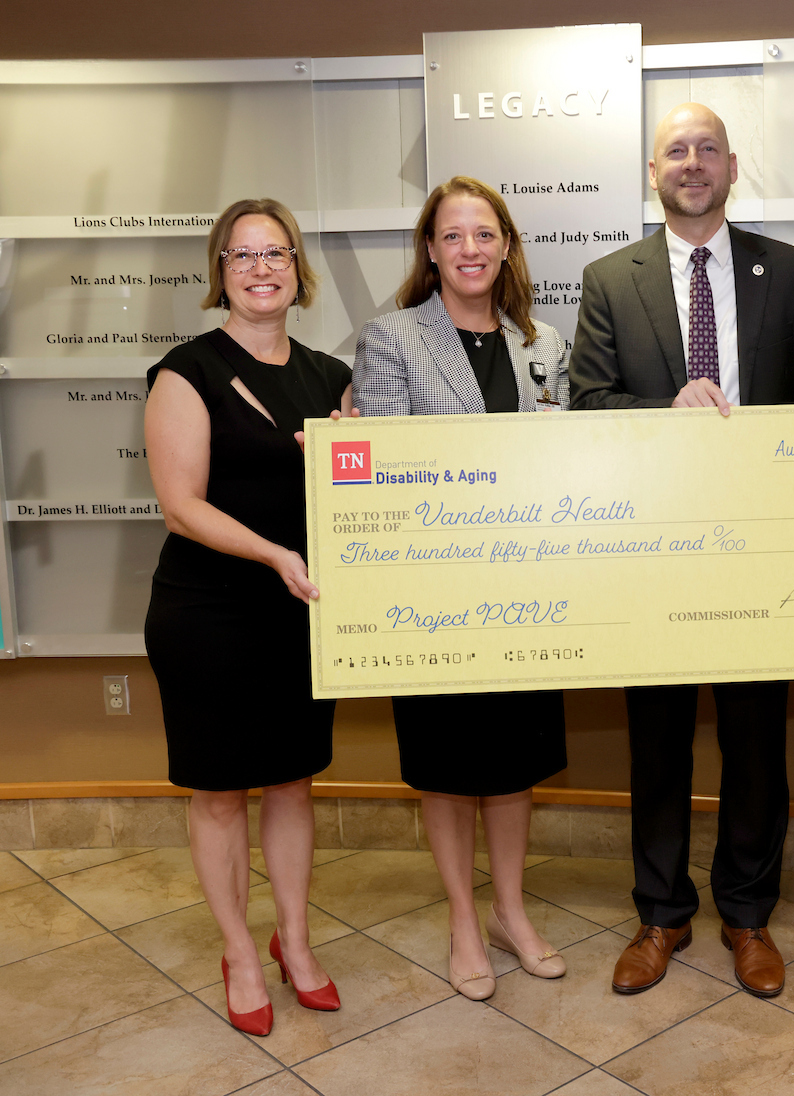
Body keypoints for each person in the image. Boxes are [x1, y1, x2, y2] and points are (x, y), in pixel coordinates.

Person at [570, 103, 794, 998]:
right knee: (659, 738)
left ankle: (749, 917)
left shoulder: (786, 271)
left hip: (760, 550)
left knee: (758, 741)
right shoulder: (610, 278)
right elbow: (591, 407)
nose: (692, 162)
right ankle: (661, 914)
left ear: (730, 165)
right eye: (676, 150)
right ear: (654, 171)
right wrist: (663, 411)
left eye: (707, 148)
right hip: (656, 551)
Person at [353, 176, 570, 1001]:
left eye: (485, 234)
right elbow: (379, 477)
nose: (470, 249)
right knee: (447, 768)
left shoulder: (542, 340)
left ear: (506, 245)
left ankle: (512, 913)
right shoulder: (393, 338)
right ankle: (460, 922)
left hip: (525, 587)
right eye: (453, 236)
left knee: (512, 766)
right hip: (431, 595)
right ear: (431, 250)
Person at [145, 199, 352, 1036]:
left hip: (302, 614)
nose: (262, 269)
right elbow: (180, 506)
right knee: (221, 795)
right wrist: (272, 554)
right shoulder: (184, 372)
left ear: (299, 270)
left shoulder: (333, 378)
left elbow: (360, 496)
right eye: (243, 256)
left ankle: (294, 942)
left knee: (292, 785)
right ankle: (238, 950)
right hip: (210, 614)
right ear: (219, 272)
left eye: (276, 254)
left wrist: (345, 466)